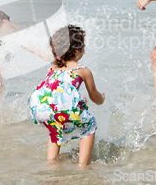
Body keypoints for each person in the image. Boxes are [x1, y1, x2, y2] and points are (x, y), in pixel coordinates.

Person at [29, 25, 105, 168]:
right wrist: (102, 98)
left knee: (55, 128)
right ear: (77, 51)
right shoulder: (82, 70)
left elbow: (55, 92)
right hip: (62, 108)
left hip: (41, 107)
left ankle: (51, 162)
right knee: (89, 126)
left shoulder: (52, 68)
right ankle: (82, 166)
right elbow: (95, 97)